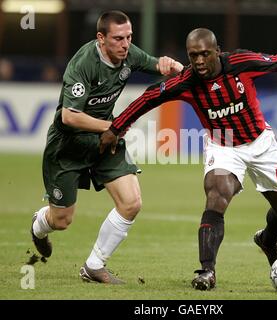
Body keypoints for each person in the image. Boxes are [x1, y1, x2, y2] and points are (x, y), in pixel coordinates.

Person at [99, 28, 277, 290]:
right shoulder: (186, 81)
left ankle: (267, 241)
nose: (200, 61)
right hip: (223, 145)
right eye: (194, 56)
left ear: (217, 51)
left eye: (205, 54)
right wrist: (115, 128)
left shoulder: (241, 63)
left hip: (261, 143)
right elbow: (150, 96)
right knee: (217, 195)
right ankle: (207, 271)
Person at [30, 10, 183, 284]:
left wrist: (175, 67)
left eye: (129, 37)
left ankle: (94, 266)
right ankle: (40, 224)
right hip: (68, 145)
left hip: (105, 141)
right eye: (118, 39)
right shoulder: (83, 64)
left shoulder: (128, 53)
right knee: (62, 220)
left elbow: (156, 65)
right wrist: (113, 126)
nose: (125, 44)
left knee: (132, 202)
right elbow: (69, 116)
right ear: (101, 38)